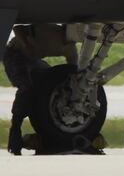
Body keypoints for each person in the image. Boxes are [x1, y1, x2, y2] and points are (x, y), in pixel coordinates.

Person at [3, 24, 78, 155]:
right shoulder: (47, 30)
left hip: (33, 59)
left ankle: (46, 129)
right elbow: (18, 27)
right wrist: (27, 45)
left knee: (49, 81)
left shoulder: (71, 49)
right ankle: (15, 129)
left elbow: (72, 74)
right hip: (15, 54)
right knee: (27, 87)